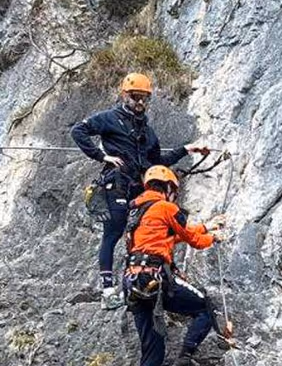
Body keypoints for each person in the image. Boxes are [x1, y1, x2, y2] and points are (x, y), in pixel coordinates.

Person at [71, 73, 210, 307]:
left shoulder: (148, 133)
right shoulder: (109, 118)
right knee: (113, 232)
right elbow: (78, 131)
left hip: (137, 191)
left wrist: (187, 149)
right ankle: (107, 291)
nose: (140, 103)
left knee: (138, 233)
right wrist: (102, 155)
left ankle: (137, 280)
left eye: (145, 98)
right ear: (124, 95)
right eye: (136, 97)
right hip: (115, 185)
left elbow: (157, 162)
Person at [123, 165, 224, 366]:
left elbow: (172, 235)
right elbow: (192, 239)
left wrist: (206, 226)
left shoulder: (137, 212)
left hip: (134, 282)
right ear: (168, 189)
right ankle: (183, 365)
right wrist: (213, 237)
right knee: (204, 306)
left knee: (152, 349)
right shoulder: (166, 208)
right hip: (155, 278)